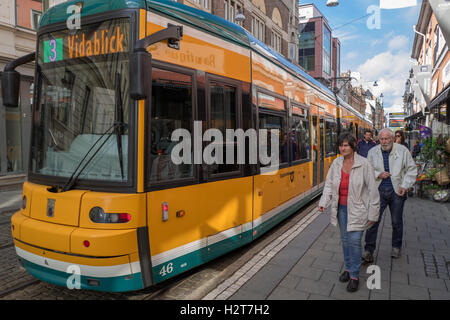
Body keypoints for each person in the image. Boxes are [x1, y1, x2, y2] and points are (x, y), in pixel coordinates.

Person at [318, 132, 380, 293]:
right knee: (345, 241)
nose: (342, 148)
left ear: (353, 146)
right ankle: (348, 267)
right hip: (342, 209)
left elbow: (373, 191)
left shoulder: (364, 164)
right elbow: (329, 185)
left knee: (354, 241)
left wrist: (373, 214)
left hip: (359, 209)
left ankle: (354, 275)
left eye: (346, 145)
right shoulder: (336, 163)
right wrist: (323, 203)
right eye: (340, 145)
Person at [363, 128, 417, 262]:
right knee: (372, 220)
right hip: (378, 191)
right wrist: (378, 174)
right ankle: (368, 250)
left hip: (397, 191)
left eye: (387, 138)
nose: (384, 141)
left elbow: (411, 169)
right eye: (381, 139)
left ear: (392, 139)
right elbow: (367, 170)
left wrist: (405, 185)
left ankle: (396, 246)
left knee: (396, 221)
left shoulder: (402, 151)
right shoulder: (372, 152)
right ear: (378, 139)